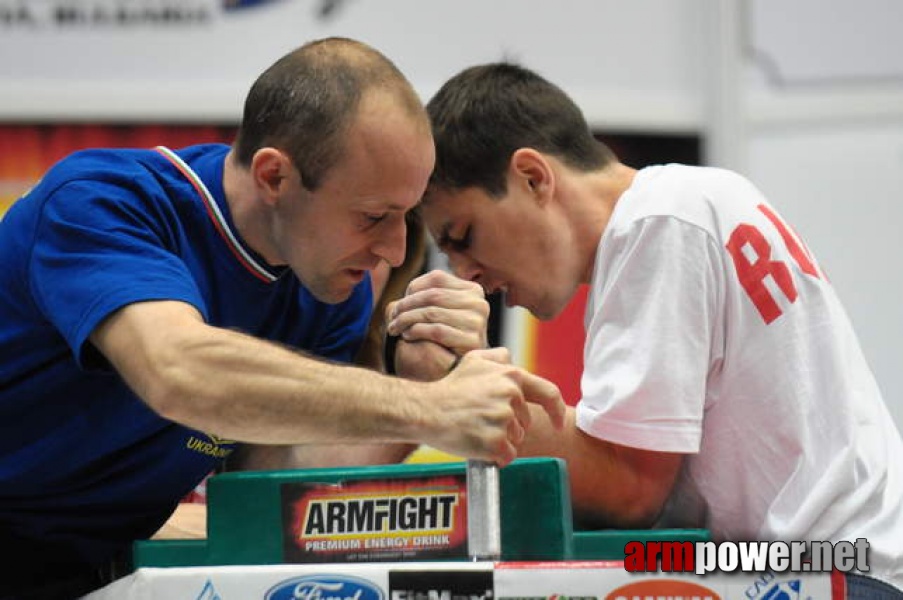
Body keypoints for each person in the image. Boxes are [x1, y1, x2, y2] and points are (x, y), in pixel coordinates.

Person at [0, 41, 565, 598]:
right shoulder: (102, 203)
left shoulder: (324, 284)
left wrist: (414, 382)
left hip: (82, 569)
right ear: (274, 177)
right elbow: (178, 370)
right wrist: (433, 409)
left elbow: (267, 483)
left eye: (405, 217)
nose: (395, 250)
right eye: (373, 216)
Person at [400, 61, 903, 594]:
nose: (465, 273)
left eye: (464, 236)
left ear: (533, 177)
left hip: (833, 573)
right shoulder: (685, 205)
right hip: (834, 565)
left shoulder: (657, 223)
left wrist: (455, 390)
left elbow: (629, 491)